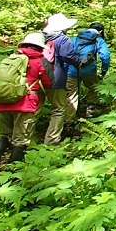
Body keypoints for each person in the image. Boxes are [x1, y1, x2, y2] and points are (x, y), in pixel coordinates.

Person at [0, 32, 52, 173]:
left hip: (3, 102)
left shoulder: (11, 59)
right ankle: (11, 174)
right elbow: (49, 82)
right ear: (40, 47)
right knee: (21, 140)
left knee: (5, 134)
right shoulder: (40, 61)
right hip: (25, 105)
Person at [65, 22, 110, 129]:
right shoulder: (98, 40)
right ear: (101, 31)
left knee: (71, 94)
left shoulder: (76, 38)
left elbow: (67, 53)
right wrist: (103, 71)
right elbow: (105, 56)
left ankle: (69, 122)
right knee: (94, 87)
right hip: (89, 70)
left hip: (72, 70)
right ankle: (90, 111)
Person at [42, 12, 78, 145]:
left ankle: (24, 142)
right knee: (58, 109)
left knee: (35, 110)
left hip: (37, 78)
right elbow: (68, 56)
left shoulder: (42, 38)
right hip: (56, 78)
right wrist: (79, 62)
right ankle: (51, 141)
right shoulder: (62, 39)